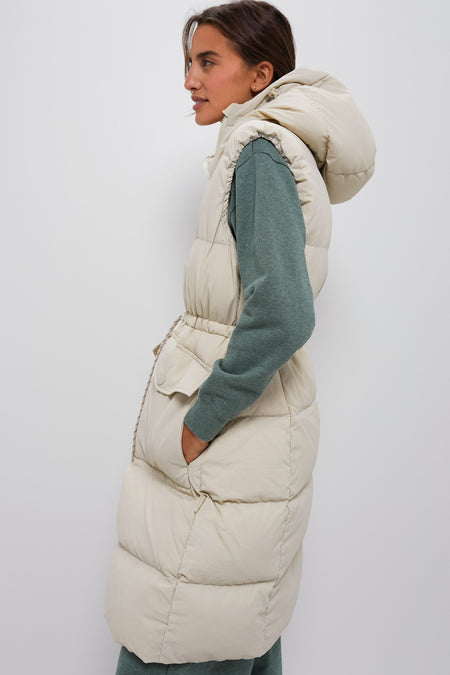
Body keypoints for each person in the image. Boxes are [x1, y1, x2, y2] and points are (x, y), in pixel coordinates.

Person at [104, 1, 376, 673]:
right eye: (188, 62)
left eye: (207, 61)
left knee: (182, 634)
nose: (190, 80)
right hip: (253, 436)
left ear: (260, 75)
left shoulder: (259, 152)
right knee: (235, 624)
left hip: (232, 434)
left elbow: (283, 312)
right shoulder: (264, 148)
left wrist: (203, 417)